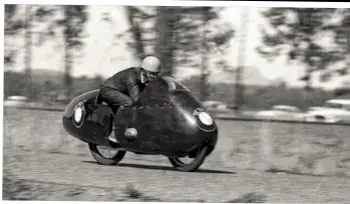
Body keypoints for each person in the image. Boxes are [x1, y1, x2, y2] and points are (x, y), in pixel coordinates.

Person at [99, 55, 161, 143]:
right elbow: (136, 99)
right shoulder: (132, 78)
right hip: (108, 90)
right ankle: (114, 131)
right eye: (151, 73)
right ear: (144, 71)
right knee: (129, 103)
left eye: (155, 74)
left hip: (123, 91)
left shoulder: (145, 78)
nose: (153, 76)